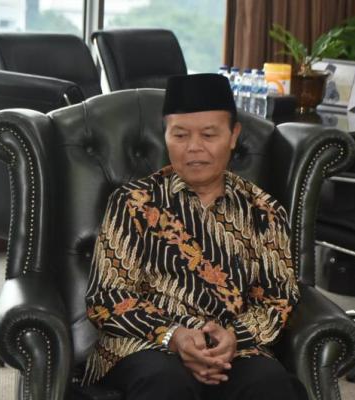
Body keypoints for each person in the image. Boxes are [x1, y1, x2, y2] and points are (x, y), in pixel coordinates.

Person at [83, 73, 302, 399]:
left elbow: (278, 298)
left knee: (269, 383)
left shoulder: (263, 211)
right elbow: (107, 297)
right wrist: (173, 335)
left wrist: (234, 337)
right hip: (145, 344)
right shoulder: (133, 203)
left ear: (233, 135)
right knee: (165, 381)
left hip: (234, 347)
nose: (194, 147)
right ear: (165, 135)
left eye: (209, 134)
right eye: (180, 135)